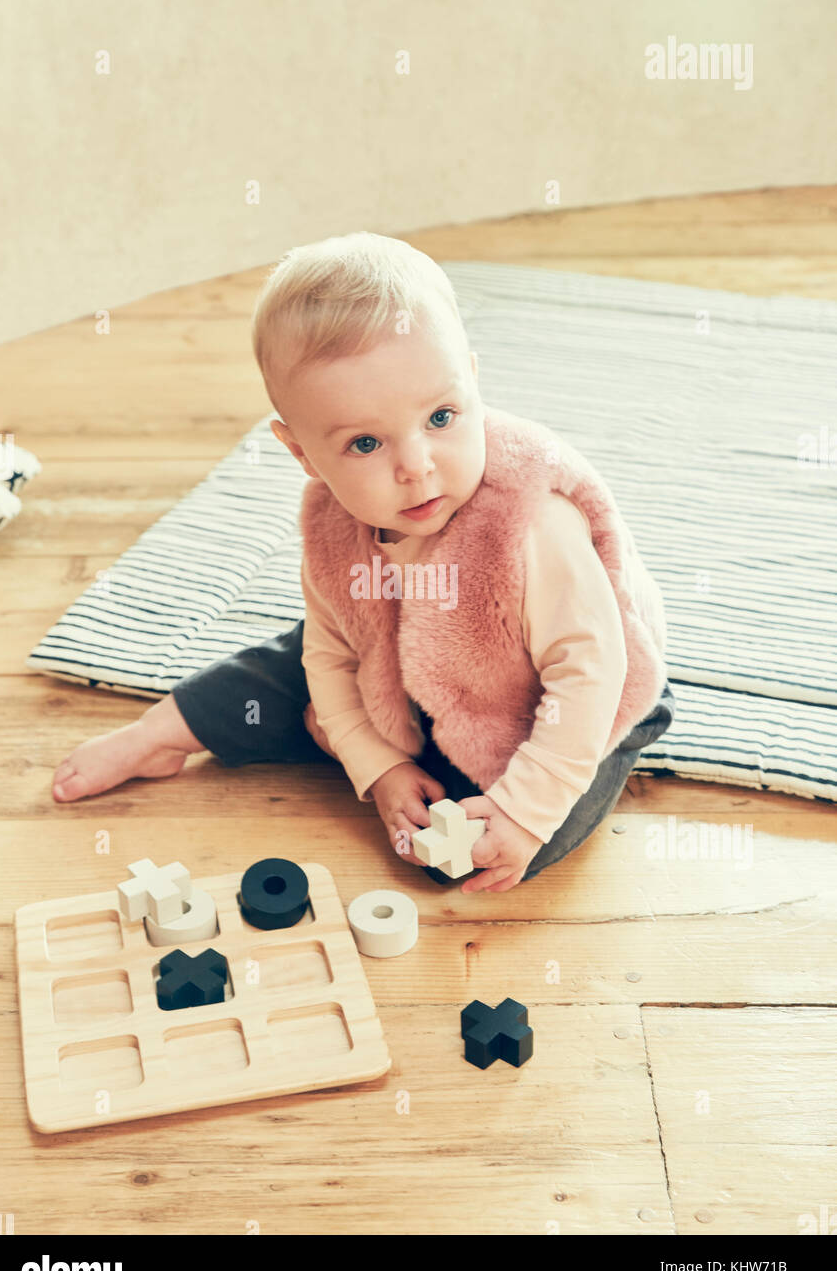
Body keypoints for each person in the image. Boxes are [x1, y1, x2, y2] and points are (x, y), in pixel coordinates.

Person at [52, 231, 675, 893]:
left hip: (565, 691)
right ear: (302, 453)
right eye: (366, 442)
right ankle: (164, 731)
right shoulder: (332, 523)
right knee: (290, 666)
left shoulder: (532, 524)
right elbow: (329, 652)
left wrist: (525, 812)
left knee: (465, 848)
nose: (417, 467)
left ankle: (357, 741)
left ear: (471, 376)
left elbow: (589, 672)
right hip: (406, 642)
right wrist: (377, 765)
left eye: (441, 416)